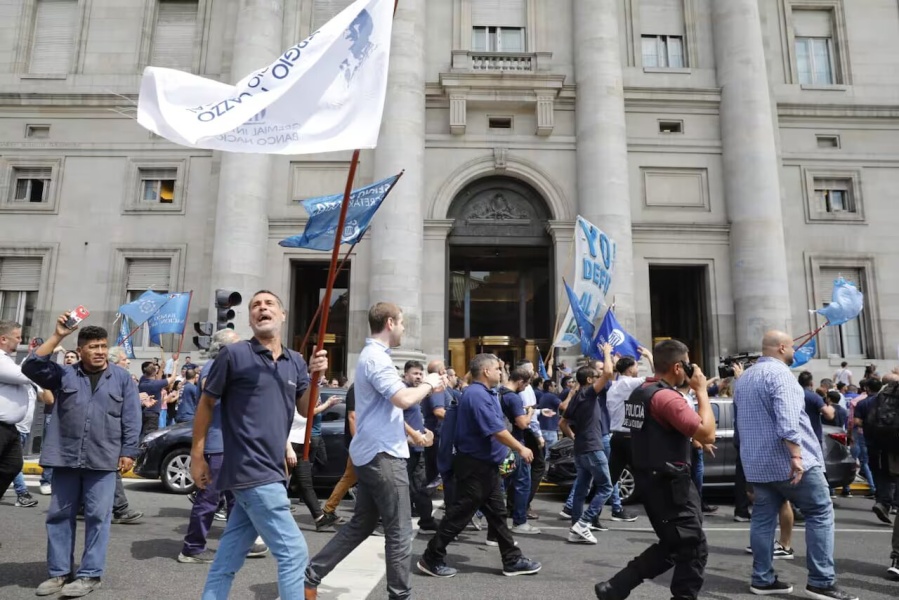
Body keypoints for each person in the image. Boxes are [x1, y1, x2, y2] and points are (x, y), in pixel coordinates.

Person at [305, 302, 447, 600]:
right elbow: (402, 400)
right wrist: (430, 383)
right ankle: (399, 595)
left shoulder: (375, 357)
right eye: (402, 322)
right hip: (383, 456)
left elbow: (388, 409)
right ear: (390, 323)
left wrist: (413, 434)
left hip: (375, 453)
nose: (404, 328)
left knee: (362, 524)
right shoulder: (376, 358)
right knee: (399, 531)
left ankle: (311, 574)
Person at [190, 291, 327, 599]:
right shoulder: (233, 354)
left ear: (282, 315)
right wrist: (197, 456)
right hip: (251, 470)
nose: (262, 308)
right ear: (251, 318)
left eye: (269, 304)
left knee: (227, 559)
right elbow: (207, 403)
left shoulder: (295, 361)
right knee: (294, 553)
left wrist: (316, 377)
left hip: (274, 471)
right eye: (255, 305)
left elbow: (306, 408)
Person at [734, 330, 857, 600]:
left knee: (763, 518)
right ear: (781, 348)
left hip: (757, 462)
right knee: (820, 512)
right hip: (789, 461)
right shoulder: (781, 375)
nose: (795, 352)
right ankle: (821, 582)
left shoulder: (744, 379)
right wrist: (796, 456)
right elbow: (788, 419)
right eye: (792, 347)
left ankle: (762, 578)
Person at [24, 317, 141, 598]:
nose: (100, 351)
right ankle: (59, 573)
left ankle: (90, 574)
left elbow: (131, 417)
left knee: (98, 517)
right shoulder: (64, 375)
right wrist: (57, 335)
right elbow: (31, 367)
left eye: (103, 346)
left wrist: (128, 451)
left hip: (103, 458)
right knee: (59, 516)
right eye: (93, 347)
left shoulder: (122, 379)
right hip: (65, 456)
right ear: (80, 350)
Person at [595, 339, 715, 600]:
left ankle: (616, 587)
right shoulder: (666, 397)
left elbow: (654, 430)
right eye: (687, 364)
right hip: (670, 483)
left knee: (676, 545)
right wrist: (701, 391)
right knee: (693, 546)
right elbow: (708, 433)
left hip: (651, 479)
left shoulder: (641, 393)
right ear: (677, 367)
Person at [417, 353, 542, 578]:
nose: (501, 372)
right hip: (476, 466)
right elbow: (496, 429)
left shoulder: (484, 393)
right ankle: (431, 557)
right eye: (497, 369)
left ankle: (512, 559)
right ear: (486, 371)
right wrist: (520, 448)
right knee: (460, 513)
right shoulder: (476, 395)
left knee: (497, 514)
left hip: (485, 465)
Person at [178, 328, 242, 564]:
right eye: (237, 345)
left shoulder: (225, 367)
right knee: (209, 498)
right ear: (224, 349)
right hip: (217, 444)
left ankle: (235, 544)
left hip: (230, 443)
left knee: (235, 499)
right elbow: (210, 394)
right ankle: (192, 548)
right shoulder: (214, 367)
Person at [563, 347, 617, 544]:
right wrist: (607, 353)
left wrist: (575, 437)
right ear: (588, 380)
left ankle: (575, 529)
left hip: (581, 448)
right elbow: (608, 373)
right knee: (606, 487)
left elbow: (563, 423)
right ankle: (584, 522)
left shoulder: (576, 397)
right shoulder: (588, 393)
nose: (598, 379)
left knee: (581, 490)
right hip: (593, 447)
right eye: (595, 376)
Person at [499, 367, 539, 535]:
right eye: (526, 384)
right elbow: (522, 424)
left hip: (504, 445)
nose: (526, 387)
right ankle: (520, 521)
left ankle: (478, 513)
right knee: (522, 483)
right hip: (516, 446)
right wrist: (529, 413)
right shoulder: (513, 398)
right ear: (520, 381)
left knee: (503, 481)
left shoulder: (498, 393)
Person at [400, 360, 438, 534]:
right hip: (404, 448)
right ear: (405, 374)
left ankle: (426, 522)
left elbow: (413, 418)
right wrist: (413, 435)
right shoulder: (402, 392)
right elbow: (396, 418)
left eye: (421, 374)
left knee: (420, 487)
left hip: (417, 448)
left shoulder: (416, 394)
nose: (419, 377)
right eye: (415, 373)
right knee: (401, 488)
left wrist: (424, 431)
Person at [320, 384, 357, 522]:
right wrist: (358, 442)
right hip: (359, 443)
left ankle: (329, 509)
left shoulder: (365, 387)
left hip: (365, 442)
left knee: (352, 477)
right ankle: (328, 509)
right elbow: (352, 417)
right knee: (351, 477)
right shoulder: (356, 389)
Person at [138, 360, 177, 438]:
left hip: (142, 412)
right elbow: (172, 378)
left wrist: (161, 368)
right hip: (152, 414)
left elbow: (157, 380)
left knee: (142, 434)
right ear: (155, 372)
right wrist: (175, 365)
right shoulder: (155, 384)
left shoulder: (142, 380)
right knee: (149, 436)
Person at [800, 371, 835, 446]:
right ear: (811, 383)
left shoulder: (793, 395)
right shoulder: (815, 397)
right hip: (813, 435)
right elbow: (829, 415)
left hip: (797, 435)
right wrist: (830, 406)